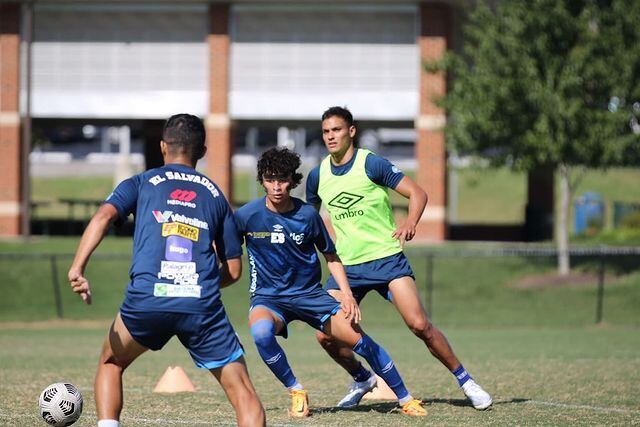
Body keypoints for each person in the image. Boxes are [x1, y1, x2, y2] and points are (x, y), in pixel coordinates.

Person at [68, 114, 265, 427]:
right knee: (243, 393)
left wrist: (78, 267)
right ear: (202, 151)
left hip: (148, 299)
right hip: (200, 305)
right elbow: (234, 270)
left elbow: (103, 216)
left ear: (162, 146)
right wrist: (193, 285)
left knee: (111, 362)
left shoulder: (141, 182)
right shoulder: (216, 196)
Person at [306, 106, 493, 410]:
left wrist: (410, 223)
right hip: (347, 266)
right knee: (324, 336)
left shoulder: (371, 164)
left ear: (351, 131)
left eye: (336, 130)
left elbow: (418, 193)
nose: (330, 136)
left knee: (419, 325)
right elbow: (309, 218)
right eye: (326, 131)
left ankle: (466, 381)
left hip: (386, 259)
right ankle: (362, 379)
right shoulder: (317, 176)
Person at [234, 147, 427, 418]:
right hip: (269, 299)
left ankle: (405, 399)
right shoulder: (246, 216)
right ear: (262, 180)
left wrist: (346, 294)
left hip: (310, 296)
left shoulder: (307, 215)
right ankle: (296, 391)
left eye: (283, 179)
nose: (276, 187)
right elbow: (227, 251)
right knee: (261, 333)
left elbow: (332, 257)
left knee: (362, 343)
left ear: (293, 180)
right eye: (270, 179)